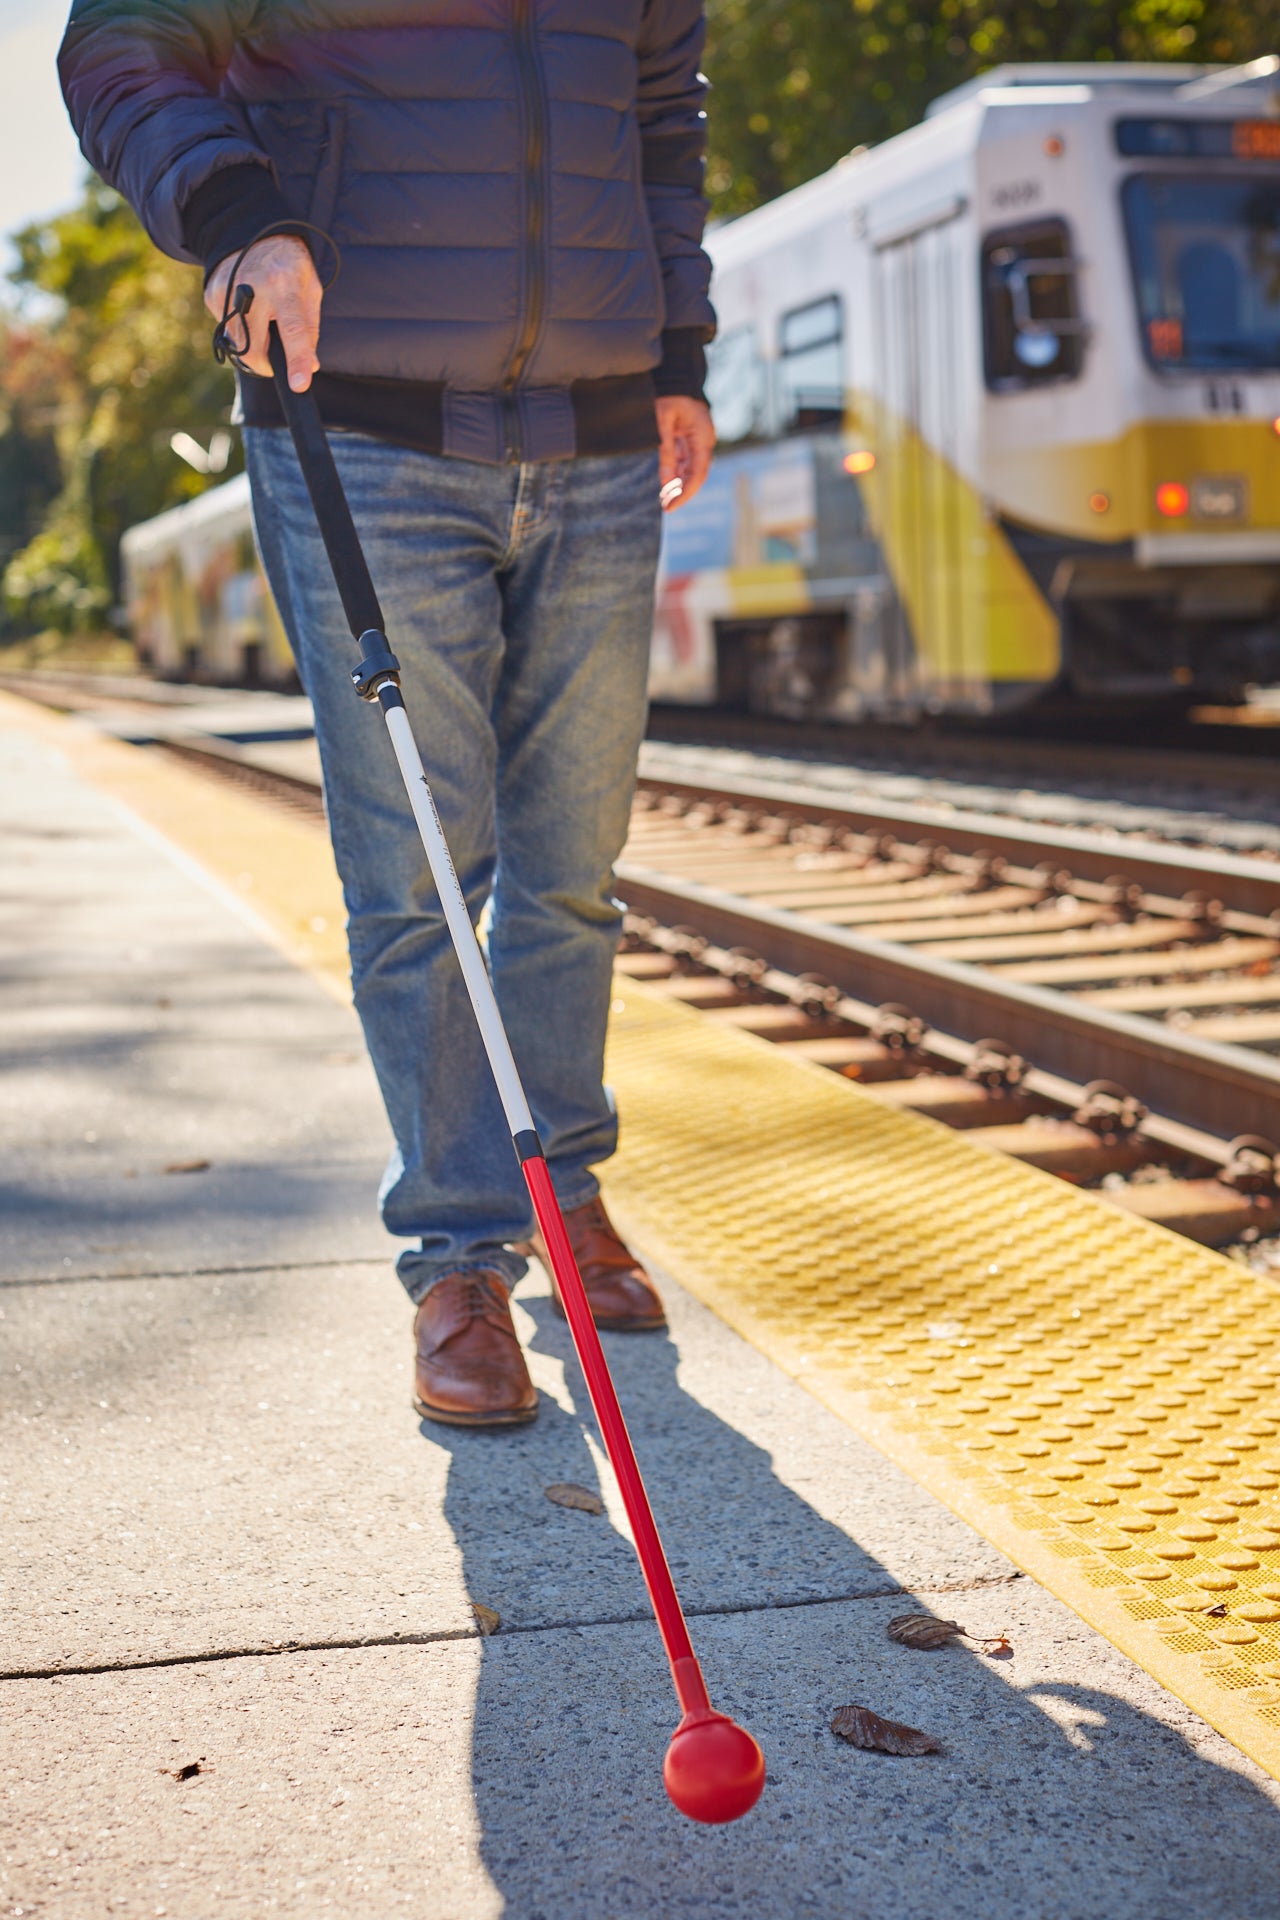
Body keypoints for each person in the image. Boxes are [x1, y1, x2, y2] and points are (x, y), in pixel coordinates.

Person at [59, 1, 715, 1428]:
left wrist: (682, 354)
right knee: (418, 872)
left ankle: (565, 1190)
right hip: (357, 425)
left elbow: (664, 121)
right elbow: (118, 43)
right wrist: (236, 209)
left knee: (572, 871)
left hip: (602, 438)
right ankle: (461, 1259)